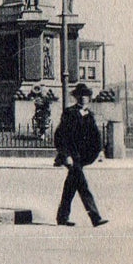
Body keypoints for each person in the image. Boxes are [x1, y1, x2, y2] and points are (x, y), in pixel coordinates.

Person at [53, 83, 109, 228]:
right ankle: (95, 218)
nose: (84, 98)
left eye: (86, 95)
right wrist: (66, 155)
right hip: (72, 156)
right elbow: (61, 135)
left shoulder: (89, 115)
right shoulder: (70, 113)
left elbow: (95, 136)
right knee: (83, 187)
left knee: (70, 186)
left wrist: (98, 151)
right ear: (77, 97)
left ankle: (62, 217)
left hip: (82, 157)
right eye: (81, 95)